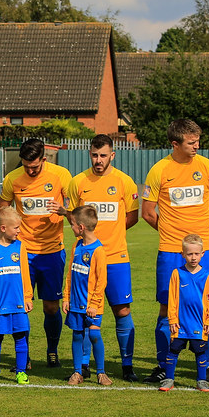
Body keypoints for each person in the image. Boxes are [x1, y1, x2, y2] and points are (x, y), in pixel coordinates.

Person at [142, 119, 209, 383]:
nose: (196, 146)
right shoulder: (159, 170)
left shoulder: (207, 166)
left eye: (198, 141)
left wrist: (196, 241)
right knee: (167, 309)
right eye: (191, 142)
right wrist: (172, 235)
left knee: (208, 305)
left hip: (206, 251)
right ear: (175, 143)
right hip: (169, 251)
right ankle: (163, 365)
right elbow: (147, 212)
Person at [62, 134, 140, 381]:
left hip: (116, 257)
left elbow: (132, 217)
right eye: (94, 155)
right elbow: (74, 218)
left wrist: (109, 238)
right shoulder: (78, 182)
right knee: (84, 311)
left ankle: (127, 365)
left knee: (122, 310)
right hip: (83, 261)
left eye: (103, 155)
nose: (98, 160)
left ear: (112, 155)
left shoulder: (125, 182)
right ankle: (83, 365)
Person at [0, 138, 73, 367]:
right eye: (26, 166)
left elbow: (77, 212)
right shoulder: (12, 178)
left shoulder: (61, 175)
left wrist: (64, 210)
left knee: (51, 306)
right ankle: (25, 355)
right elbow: (2, 211)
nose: (30, 170)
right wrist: (3, 242)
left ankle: (52, 351)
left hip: (51, 251)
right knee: (21, 304)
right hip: (22, 253)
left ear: (44, 159)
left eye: (35, 166)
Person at [0, 207, 33, 384]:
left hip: (18, 302)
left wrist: (27, 297)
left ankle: (21, 372)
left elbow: (25, 274)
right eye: (16, 228)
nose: (19, 231)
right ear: (3, 228)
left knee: (20, 337)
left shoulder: (20, 247)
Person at [160, 234, 209, 393]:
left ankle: (202, 381)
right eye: (190, 254)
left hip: (199, 322)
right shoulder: (177, 274)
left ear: (202, 254)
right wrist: (172, 319)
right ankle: (169, 379)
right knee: (174, 350)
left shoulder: (207, 276)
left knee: (200, 351)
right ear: (183, 254)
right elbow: (172, 299)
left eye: (196, 254)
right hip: (180, 322)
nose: (193, 257)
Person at [61, 205, 110, 386]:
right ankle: (77, 372)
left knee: (95, 335)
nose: (71, 228)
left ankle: (101, 373)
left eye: (72, 224)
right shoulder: (76, 245)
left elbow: (101, 281)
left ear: (81, 227)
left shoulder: (98, 251)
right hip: (75, 302)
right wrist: (66, 297)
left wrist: (94, 304)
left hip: (92, 305)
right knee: (77, 335)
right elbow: (70, 274)